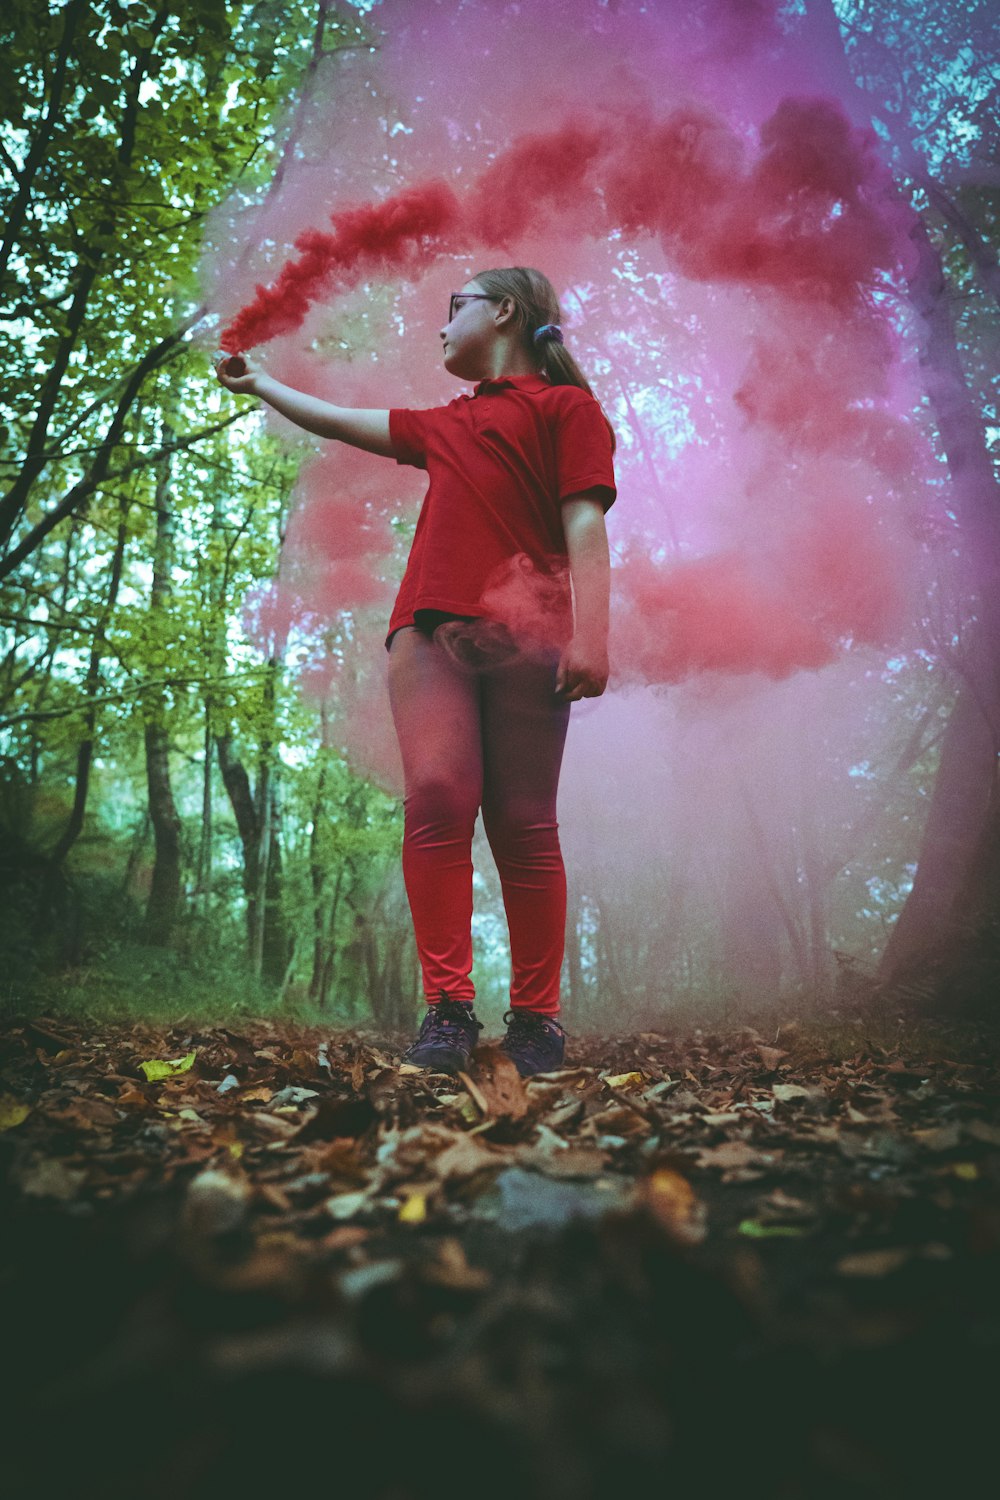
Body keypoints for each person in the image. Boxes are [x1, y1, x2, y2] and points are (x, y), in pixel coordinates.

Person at [216, 267, 616, 1076]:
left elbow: (585, 523)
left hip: (531, 637)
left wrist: (592, 636)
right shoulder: (446, 425)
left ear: (503, 312)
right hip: (428, 632)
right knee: (437, 795)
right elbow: (337, 420)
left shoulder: (569, 410)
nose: (442, 327)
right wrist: (261, 382)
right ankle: (448, 1010)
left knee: (525, 824)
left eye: (454, 308)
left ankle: (538, 1021)